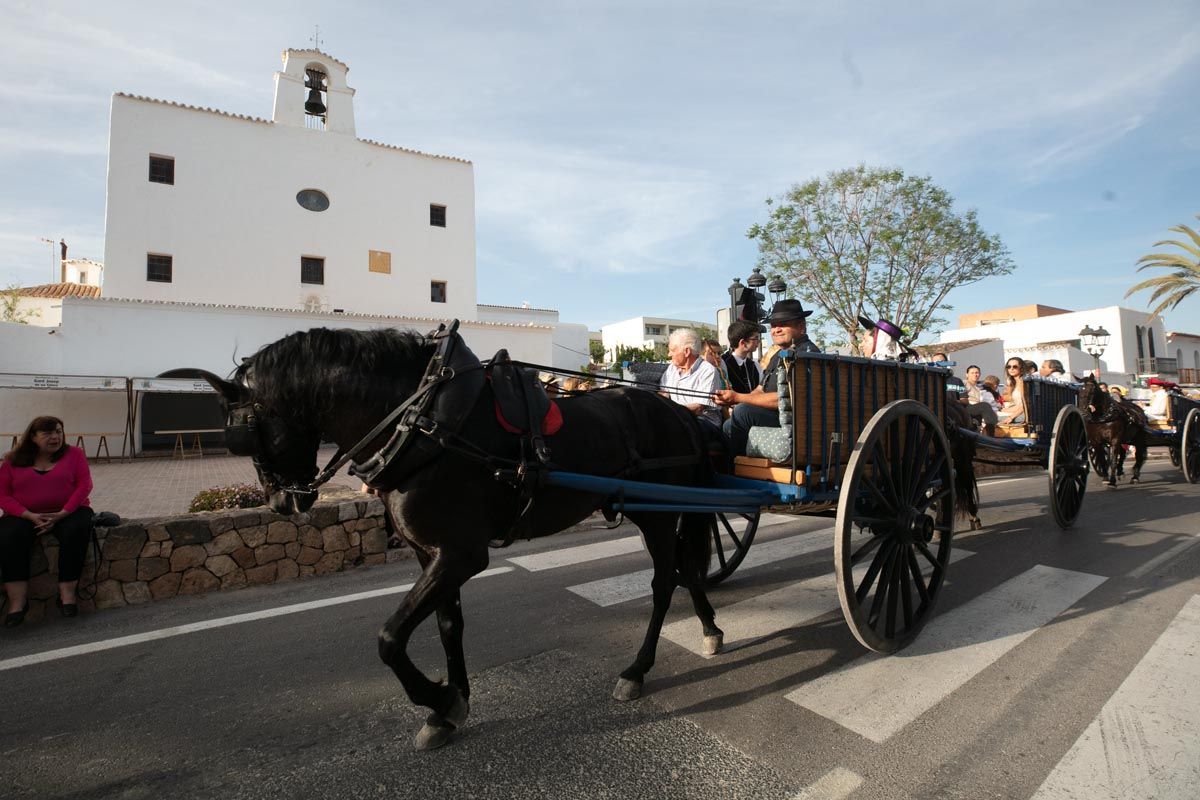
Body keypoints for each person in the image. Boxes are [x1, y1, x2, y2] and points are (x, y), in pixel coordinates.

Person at [0, 416, 94, 627]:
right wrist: (29, 515)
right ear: (33, 437)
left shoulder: (74, 454)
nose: (55, 437)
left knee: (76, 530)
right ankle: (17, 603)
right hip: (25, 514)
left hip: (69, 511)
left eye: (59, 432)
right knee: (9, 535)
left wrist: (63, 513)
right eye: (48, 433)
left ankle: (67, 596)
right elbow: (3, 495)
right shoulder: (12, 461)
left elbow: (84, 485)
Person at [715, 299, 821, 455]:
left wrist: (738, 398)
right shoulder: (779, 354)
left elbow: (787, 399)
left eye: (783, 324)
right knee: (728, 424)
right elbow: (760, 390)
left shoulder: (807, 354)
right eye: (773, 325)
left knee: (743, 412)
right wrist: (732, 400)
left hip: (795, 420)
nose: (776, 329)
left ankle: (736, 468)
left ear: (801, 326)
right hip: (776, 415)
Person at [659, 328, 722, 427]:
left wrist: (670, 413)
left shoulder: (708, 371)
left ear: (687, 352)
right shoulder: (671, 369)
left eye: (672, 350)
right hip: (676, 417)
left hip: (703, 422)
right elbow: (664, 394)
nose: (669, 354)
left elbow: (698, 408)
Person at [721, 320, 762, 394]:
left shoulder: (755, 365)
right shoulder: (722, 363)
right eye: (755, 338)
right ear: (743, 343)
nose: (758, 341)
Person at [963, 364, 1000, 431]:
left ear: (979, 374)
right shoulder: (964, 383)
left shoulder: (980, 387)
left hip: (978, 408)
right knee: (985, 406)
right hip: (967, 406)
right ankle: (990, 434)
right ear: (967, 374)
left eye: (977, 373)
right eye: (972, 373)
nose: (975, 375)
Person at [998, 357, 1027, 424]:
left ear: (1021, 368)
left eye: (1015, 366)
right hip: (1018, 412)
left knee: (992, 417)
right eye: (1009, 366)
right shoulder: (1014, 382)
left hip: (1024, 414)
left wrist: (1011, 417)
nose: (1011, 368)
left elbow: (1025, 405)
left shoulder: (1023, 382)